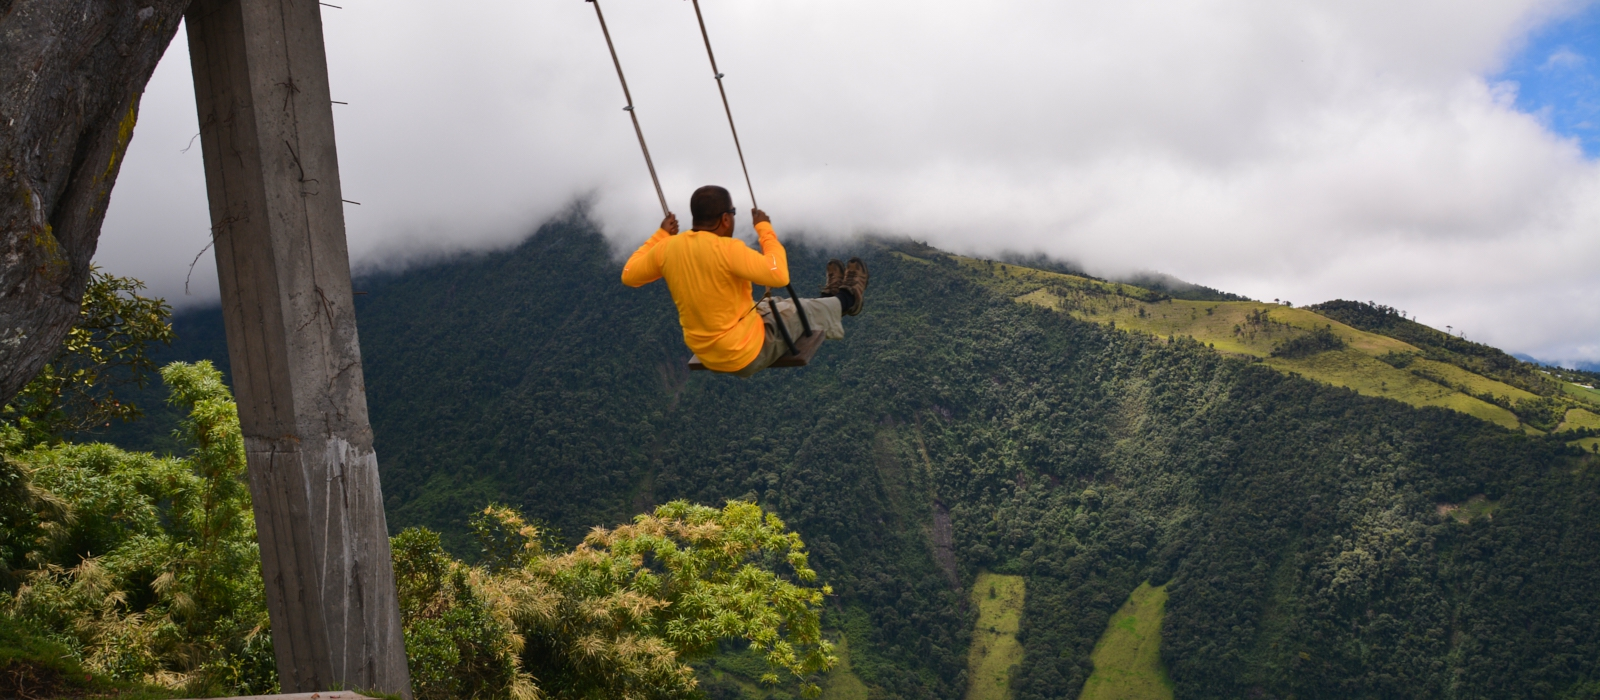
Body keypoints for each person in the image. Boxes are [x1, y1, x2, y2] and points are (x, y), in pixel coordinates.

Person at [622, 185, 867, 377]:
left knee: (779, 304)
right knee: (800, 309)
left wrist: (661, 234)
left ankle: (830, 299)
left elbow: (630, 274)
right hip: (745, 351)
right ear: (726, 218)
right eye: (733, 213)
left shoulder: (667, 248)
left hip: (706, 352)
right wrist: (764, 229)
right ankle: (847, 299)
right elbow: (779, 273)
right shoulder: (729, 250)